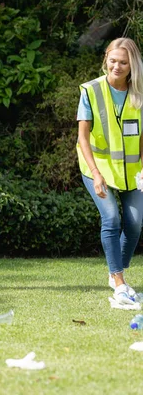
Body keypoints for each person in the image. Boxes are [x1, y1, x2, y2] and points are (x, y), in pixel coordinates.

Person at [76, 37, 143, 305]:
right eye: (113, 60)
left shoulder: (140, 92)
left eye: (123, 62)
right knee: (112, 218)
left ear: (132, 65)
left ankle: (117, 270)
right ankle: (118, 280)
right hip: (96, 167)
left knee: (136, 222)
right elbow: (82, 138)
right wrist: (96, 173)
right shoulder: (91, 91)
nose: (117, 66)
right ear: (106, 58)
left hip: (131, 171)